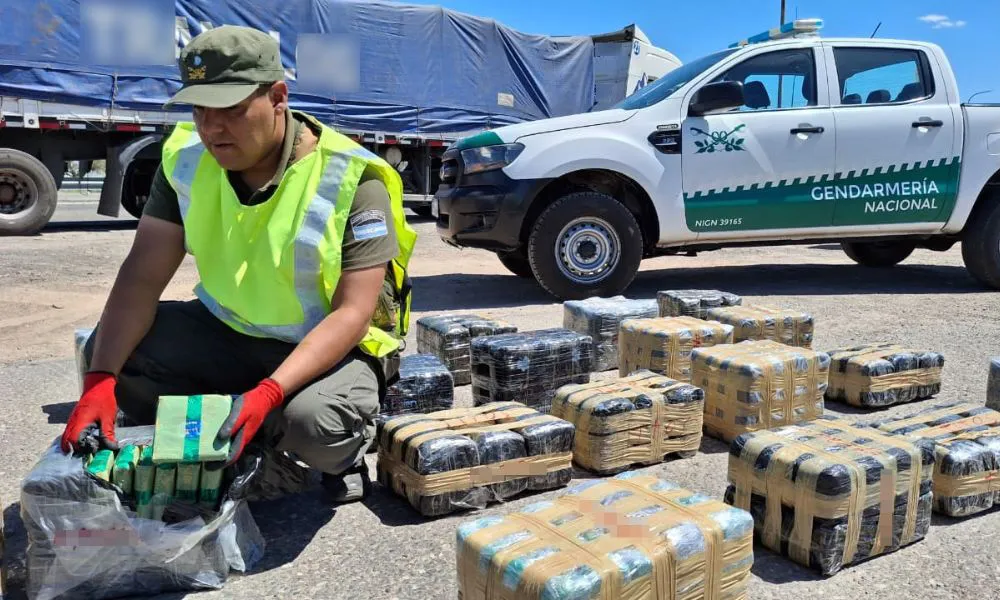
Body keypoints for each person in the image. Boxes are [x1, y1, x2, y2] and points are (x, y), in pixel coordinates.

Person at [60, 25, 417, 503]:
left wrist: (271, 392)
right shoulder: (186, 160)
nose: (211, 129)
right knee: (112, 350)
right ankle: (236, 435)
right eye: (199, 110)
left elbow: (353, 313)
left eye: (230, 109)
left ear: (278, 97)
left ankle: (331, 451)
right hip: (230, 330)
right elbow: (141, 277)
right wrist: (99, 380)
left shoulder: (351, 177)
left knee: (315, 425)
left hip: (326, 347)